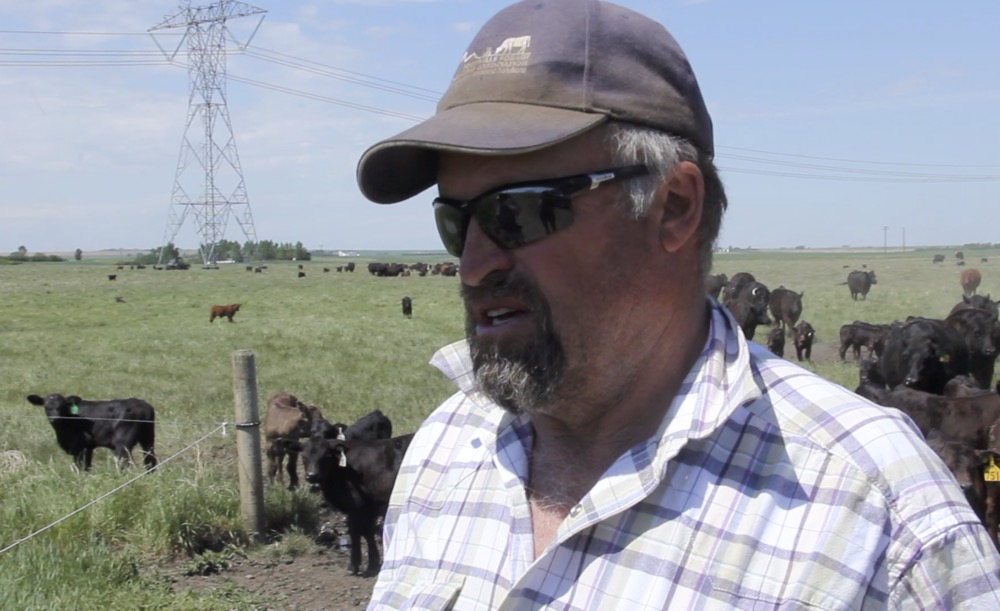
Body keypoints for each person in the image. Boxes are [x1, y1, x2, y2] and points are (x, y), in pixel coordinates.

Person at [355, 0, 1000, 608]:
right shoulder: (443, 452)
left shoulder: (882, 519)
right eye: (455, 221)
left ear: (674, 207)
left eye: (518, 212)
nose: (472, 265)